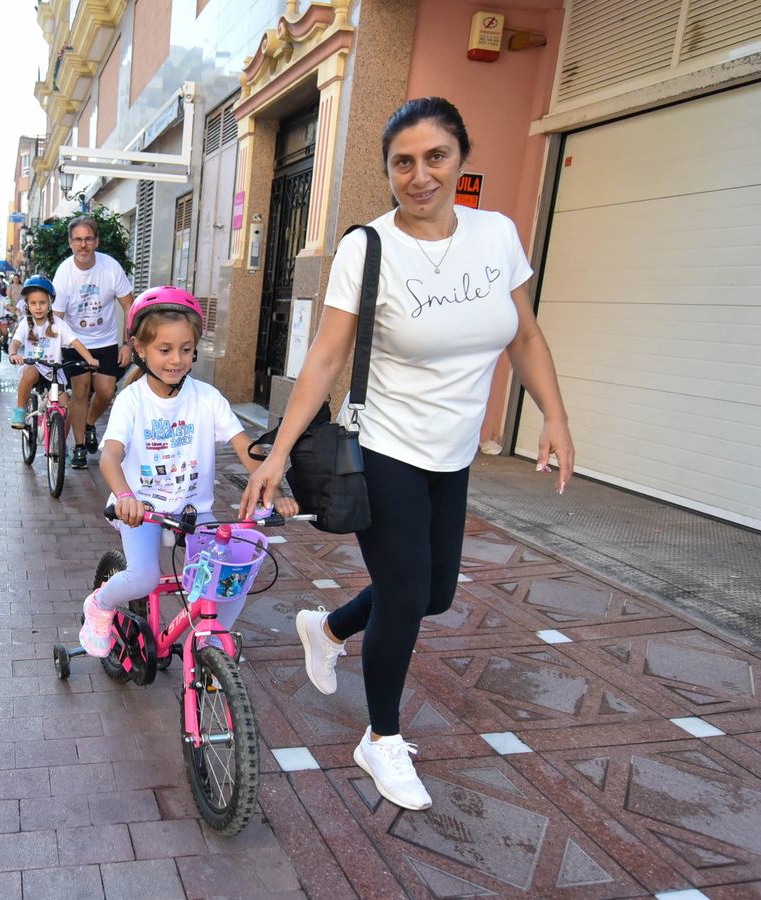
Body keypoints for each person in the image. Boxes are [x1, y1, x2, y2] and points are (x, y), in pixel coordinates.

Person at [239, 97, 575, 813]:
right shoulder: (370, 248)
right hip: (385, 446)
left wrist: (555, 415)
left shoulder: (496, 235)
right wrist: (278, 453)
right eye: (403, 162)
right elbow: (326, 357)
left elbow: (526, 336)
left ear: (460, 157)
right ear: (388, 169)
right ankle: (381, 738)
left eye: (435, 157)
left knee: (436, 594)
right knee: (403, 595)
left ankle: (324, 627)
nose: (419, 175)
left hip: (451, 455)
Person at [81, 286, 296, 656]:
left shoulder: (207, 398)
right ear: (140, 349)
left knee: (231, 573)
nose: (176, 359)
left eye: (185, 349)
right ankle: (99, 605)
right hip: (142, 511)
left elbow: (246, 448)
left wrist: (274, 490)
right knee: (144, 577)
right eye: (164, 350)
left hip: (194, 512)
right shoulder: (131, 401)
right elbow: (110, 457)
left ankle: (213, 639)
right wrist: (126, 497)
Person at [54, 216, 135, 471]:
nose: (83, 245)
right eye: (78, 239)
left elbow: (129, 307)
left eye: (88, 239)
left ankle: (89, 423)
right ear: (70, 243)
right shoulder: (64, 272)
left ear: (96, 241)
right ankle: (79, 446)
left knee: (106, 391)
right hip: (75, 342)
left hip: (106, 342)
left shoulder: (111, 268)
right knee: (79, 391)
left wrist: (127, 344)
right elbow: (56, 318)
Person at [8, 275, 97, 429]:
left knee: (65, 409)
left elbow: (75, 342)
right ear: (27, 305)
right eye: (33, 303)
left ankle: (62, 447)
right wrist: (13, 354)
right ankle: (20, 410)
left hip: (54, 371)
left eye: (42, 303)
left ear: (49, 303)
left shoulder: (59, 324)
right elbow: (14, 343)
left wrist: (89, 358)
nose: (38, 307)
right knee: (28, 373)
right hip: (35, 367)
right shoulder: (25, 324)